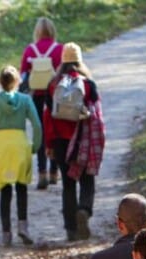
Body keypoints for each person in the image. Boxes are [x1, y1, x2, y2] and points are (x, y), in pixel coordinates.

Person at [43, 42, 105, 241]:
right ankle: (84, 210)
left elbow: (48, 117)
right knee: (87, 180)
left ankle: (70, 229)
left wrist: (49, 144)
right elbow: (96, 116)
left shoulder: (53, 85)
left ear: (62, 60)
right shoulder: (88, 84)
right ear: (79, 60)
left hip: (61, 142)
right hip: (82, 141)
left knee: (68, 185)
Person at [0, 65, 41, 247]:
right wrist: (34, 147)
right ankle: (23, 226)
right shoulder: (25, 100)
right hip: (20, 145)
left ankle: (6, 232)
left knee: (5, 190)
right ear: (17, 81)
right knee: (22, 188)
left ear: (0, 81)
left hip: (1, 146)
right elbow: (37, 125)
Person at [19, 17, 62, 190]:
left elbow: (23, 74)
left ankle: (42, 172)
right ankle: (54, 171)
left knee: (40, 132)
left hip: (36, 95)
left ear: (37, 31)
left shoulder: (30, 50)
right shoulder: (59, 49)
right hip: (54, 95)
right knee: (55, 131)